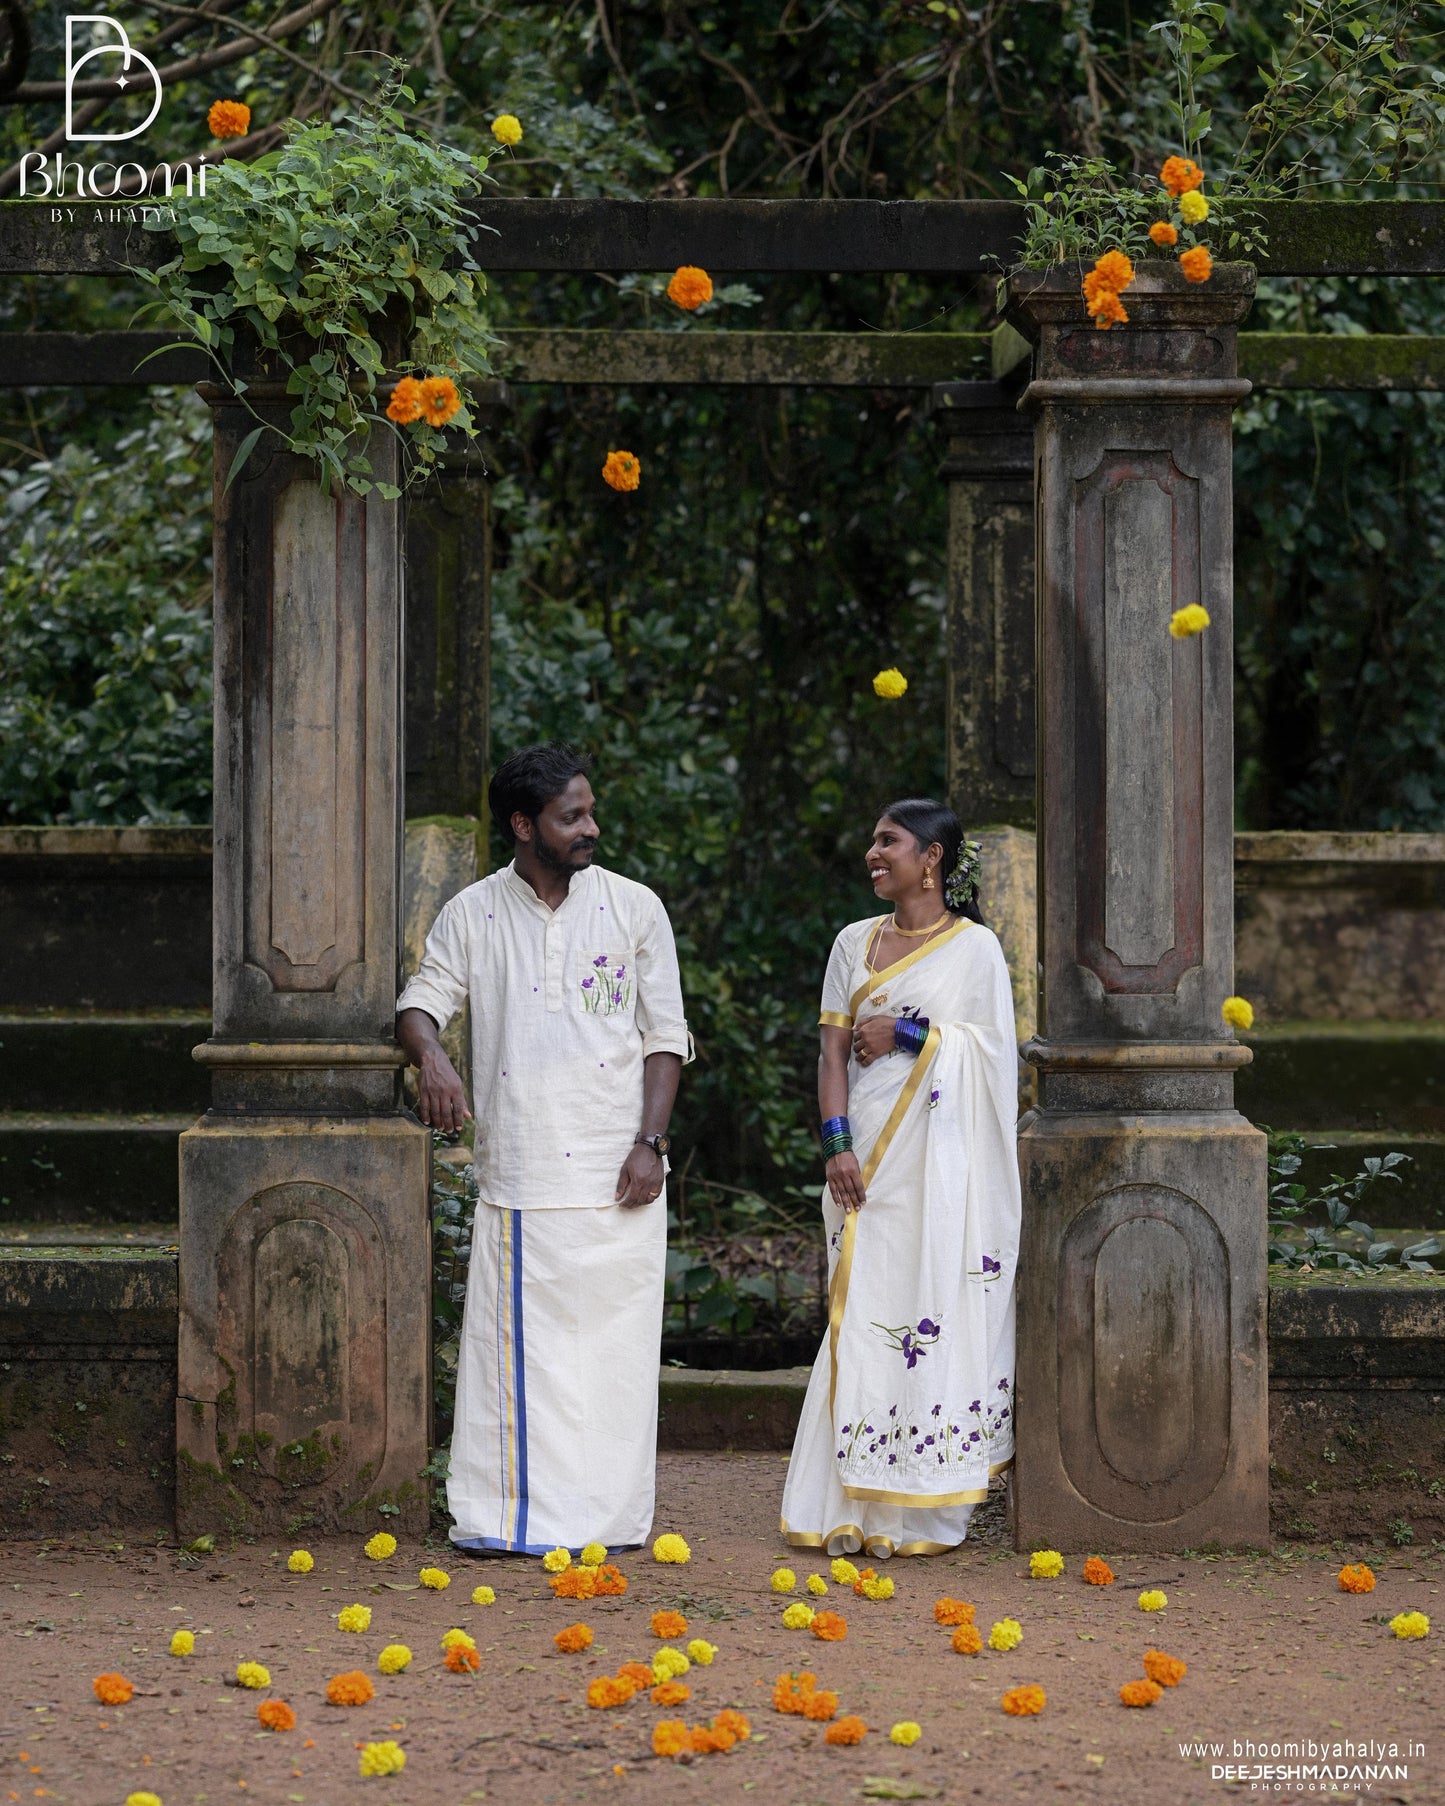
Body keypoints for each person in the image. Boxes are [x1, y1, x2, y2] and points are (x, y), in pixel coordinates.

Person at [395, 742, 689, 1556]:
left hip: (621, 1170)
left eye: (590, 812)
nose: (590, 827)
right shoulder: (472, 913)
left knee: (614, 1360)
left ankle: (609, 1522)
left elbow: (665, 1037)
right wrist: (432, 1057)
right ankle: (505, 1520)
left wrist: (650, 1144)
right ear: (524, 826)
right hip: (524, 1170)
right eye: (571, 816)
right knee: (522, 1359)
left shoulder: (633, 907)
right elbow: (420, 1004)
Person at [779, 798, 1020, 1559]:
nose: (873, 854)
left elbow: (994, 1054)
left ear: (932, 858)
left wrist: (910, 1033)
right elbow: (830, 1055)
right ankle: (845, 1499)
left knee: (929, 1306)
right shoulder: (853, 941)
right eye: (872, 841)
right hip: (864, 1165)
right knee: (862, 1312)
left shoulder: (975, 949)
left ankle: (918, 1503)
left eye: (889, 841)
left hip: (939, 1171)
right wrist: (836, 1146)